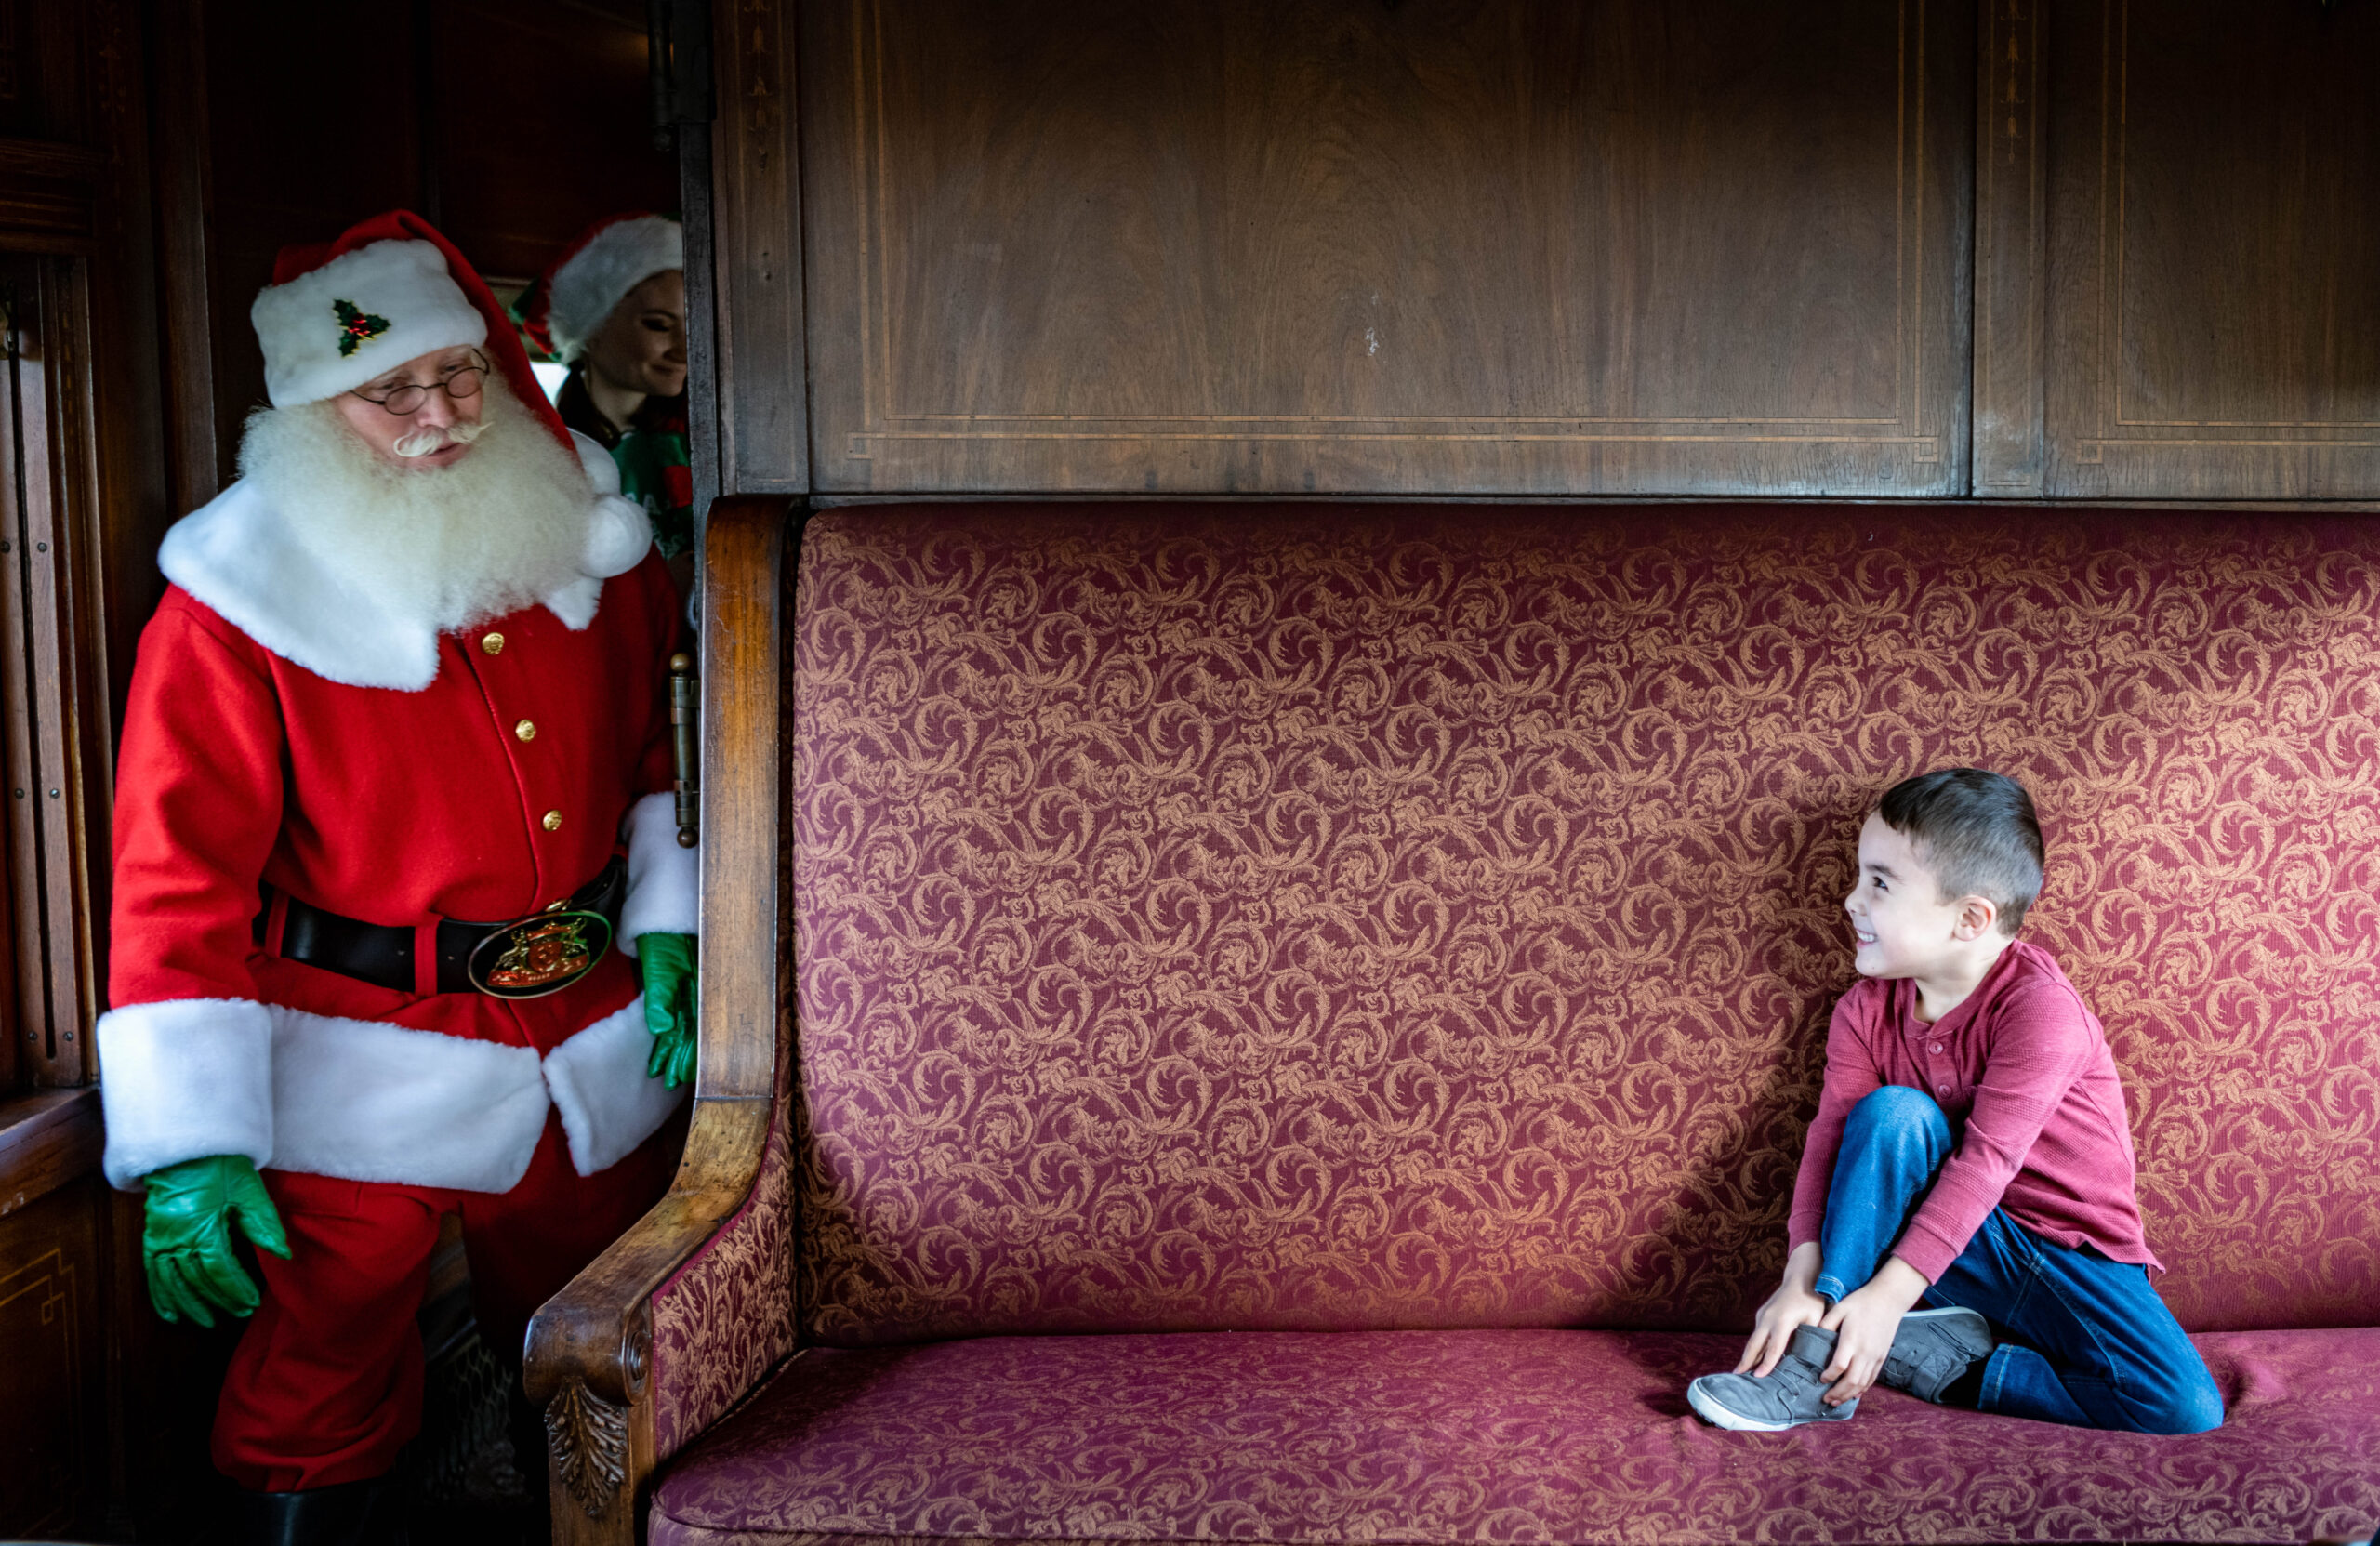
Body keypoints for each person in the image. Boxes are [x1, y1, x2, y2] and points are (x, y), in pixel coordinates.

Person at [98, 210, 701, 1543]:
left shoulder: (581, 528)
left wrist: (673, 919)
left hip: (591, 1030)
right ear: (315, 412)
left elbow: (675, 742)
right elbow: (173, 873)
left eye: (459, 373)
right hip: (357, 1051)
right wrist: (193, 1138)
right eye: (389, 392)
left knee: (615, 1342)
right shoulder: (230, 601)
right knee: (318, 1381)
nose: (439, 412)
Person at [1687, 769, 2223, 1434]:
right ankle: (1814, 1366)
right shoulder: (1863, 1010)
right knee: (1893, 1116)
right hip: (1945, 1247)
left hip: (2066, 1253)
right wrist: (1801, 1275)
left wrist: (1887, 1301)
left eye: (1879, 883)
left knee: (2183, 1406)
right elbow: (1829, 1144)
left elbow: (1985, 1165)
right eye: (1860, 877)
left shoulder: (2040, 1009)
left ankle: (1949, 1361)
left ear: (1971, 918)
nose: (1851, 900)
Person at [518, 213, 694, 595]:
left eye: (691, 326)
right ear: (592, 330)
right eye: (659, 326)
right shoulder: (543, 456)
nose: (684, 350)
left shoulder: (699, 442)